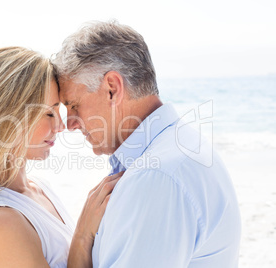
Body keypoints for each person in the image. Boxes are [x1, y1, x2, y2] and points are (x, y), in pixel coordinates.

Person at [53, 21, 241, 267]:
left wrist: (82, 239)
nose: (71, 124)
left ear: (112, 88)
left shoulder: (156, 176)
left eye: (74, 105)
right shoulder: (179, 147)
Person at [0, 47, 121, 268]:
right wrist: (83, 236)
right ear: (7, 118)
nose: (60, 126)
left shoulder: (39, 189)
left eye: (59, 111)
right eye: (49, 113)